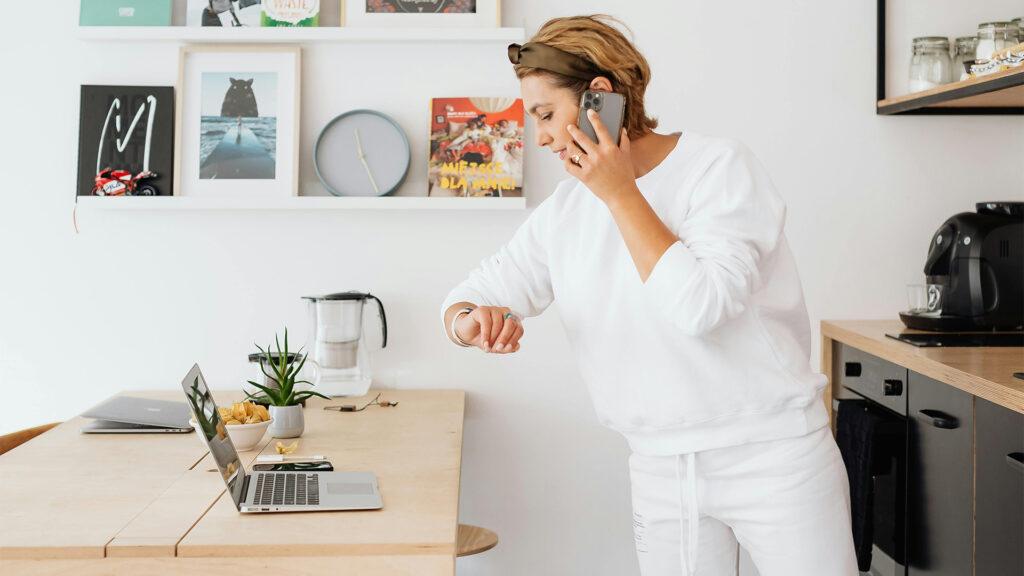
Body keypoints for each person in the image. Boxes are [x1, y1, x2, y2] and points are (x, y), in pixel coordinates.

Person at [440, 14, 859, 576]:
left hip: (775, 456)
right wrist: (470, 321)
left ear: (599, 99)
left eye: (544, 114)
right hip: (660, 469)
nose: (537, 137)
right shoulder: (565, 213)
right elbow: (472, 293)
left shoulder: (718, 169)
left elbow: (701, 306)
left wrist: (619, 193)